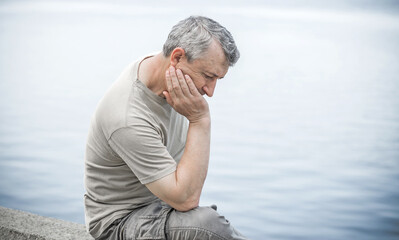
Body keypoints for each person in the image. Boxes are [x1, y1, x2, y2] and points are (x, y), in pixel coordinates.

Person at [84, 15, 247, 240]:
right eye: (208, 77)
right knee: (209, 226)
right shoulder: (127, 117)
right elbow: (185, 200)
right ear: (177, 57)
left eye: (217, 79)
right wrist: (200, 121)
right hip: (119, 222)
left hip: (160, 205)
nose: (211, 91)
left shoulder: (164, 69)